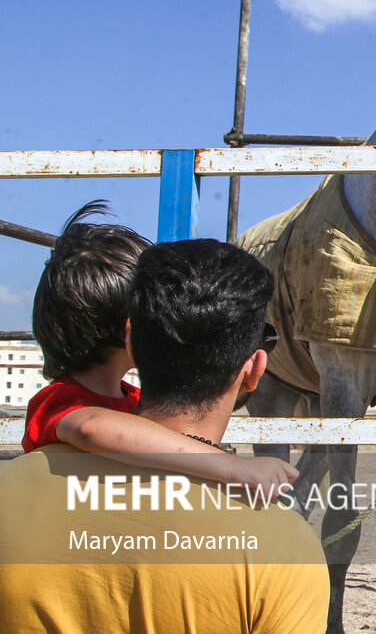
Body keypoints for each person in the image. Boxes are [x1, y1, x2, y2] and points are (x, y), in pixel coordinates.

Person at [0, 239, 330, 634]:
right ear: (254, 368)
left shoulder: (18, 484)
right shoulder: (282, 547)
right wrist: (228, 467)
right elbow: (95, 429)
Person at [25, 201, 297, 499]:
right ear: (131, 330)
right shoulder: (59, 402)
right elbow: (92, 427)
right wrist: (228, 466)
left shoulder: (130, 398)